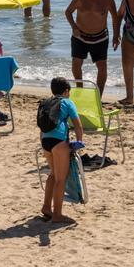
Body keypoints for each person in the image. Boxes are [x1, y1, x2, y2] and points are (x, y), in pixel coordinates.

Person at [65, 0, 119, 96]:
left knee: (102, 66)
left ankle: (98, 96)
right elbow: (68, 12)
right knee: (76, 63)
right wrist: (73, 27)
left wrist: (116, 36)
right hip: (80, 36)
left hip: (100, 37)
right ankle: (80, 90)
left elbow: (115, 18)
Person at [40, 77, 84, 223]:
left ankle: (47, 207)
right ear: (66, 91)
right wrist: (79, 142)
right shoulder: (67, 102)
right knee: (61, 179)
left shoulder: (46, 102)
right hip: (59, 142)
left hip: (45, 141)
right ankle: (57, 214)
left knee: (53, 174)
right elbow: (78, 125)